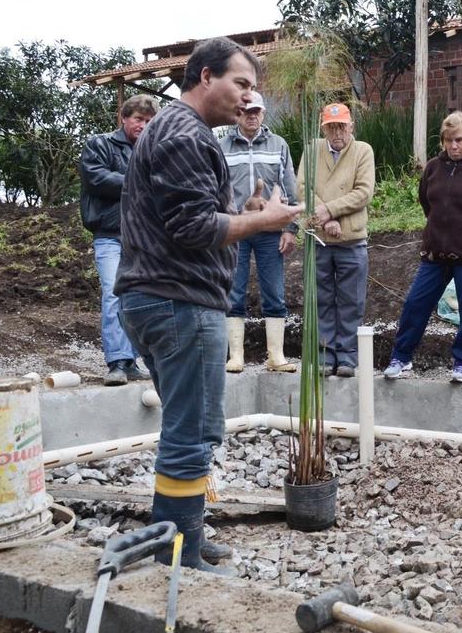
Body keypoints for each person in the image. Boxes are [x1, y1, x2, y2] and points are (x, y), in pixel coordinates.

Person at [115, 37, 303, 571]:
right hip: (178, 301)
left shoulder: (175, 131)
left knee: (183, 422)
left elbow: (187, 213)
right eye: (241, 84)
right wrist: (264, 222)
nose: (248, 99)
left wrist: (240, 209)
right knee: (193, 430)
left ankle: (178, 534)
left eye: (253, 90)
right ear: (205, 77)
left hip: (154, 298)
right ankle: (178, 552)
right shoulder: (186, 135)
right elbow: (194, 228)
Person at [382, 111, 462, 383]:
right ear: (442, 140)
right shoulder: (432, 168)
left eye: (459, 140)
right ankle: (401, 356)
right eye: (449, 140)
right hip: (436, 252)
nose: (454, 146)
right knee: (416, 303)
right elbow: (426, 202)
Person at [78, 94, 158, 387]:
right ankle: (117, 363)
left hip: (143, 237)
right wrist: (139, 183)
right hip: (110, 235)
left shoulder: (154, 151)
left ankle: (132, 360)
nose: (143, 125)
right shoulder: (100, 144)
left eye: (149, 121)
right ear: (124, 118)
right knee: (114, 294)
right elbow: (95, 179)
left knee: (140, 298)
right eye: (138, 119)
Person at [220, 91, 300, 374]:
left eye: (256, 111)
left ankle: (275, 356)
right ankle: (236, 356)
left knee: (274, 292)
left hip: (269, 230)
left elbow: (289, 187)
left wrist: (290, 228)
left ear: (263, 113)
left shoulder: (278, 145)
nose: (251, 116)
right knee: (233, 292)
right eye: (246, 111)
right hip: (236, 230)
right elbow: (216, 189)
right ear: (237, 113)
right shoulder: (222, 146)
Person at [295, 102, 375, 378]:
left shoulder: (362, 151)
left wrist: (332, 211)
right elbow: (303, 188)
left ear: (351, 126)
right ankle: (324, 355)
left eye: (341, 126)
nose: (337, 132)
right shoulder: (312, 149)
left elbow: (363, 192)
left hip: (351, 240)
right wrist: (325, 220)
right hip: (319, 238)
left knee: (351, 301)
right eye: (331, 127)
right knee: (322, 300)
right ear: (324, 129)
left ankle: (348, 358)